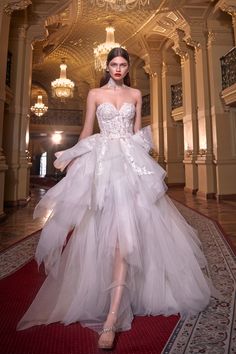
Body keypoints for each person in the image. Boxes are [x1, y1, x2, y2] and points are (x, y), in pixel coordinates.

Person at [17, 47, 212, 350]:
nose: (118, 69)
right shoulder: (95, 94)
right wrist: (70, 157)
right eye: (113, 64)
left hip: (131, 169)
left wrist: (143, 167)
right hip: (103, 167)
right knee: (103, 235)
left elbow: (137, 136)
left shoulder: (135, 94)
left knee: (125, 239)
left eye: (123, 64)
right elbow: (85, 132)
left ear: (127, 67)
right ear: (106, 66)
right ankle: (108, 299)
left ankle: (111, 318)